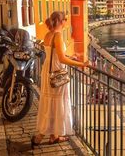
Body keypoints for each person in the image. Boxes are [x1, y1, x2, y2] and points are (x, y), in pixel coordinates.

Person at [32, 11, 90, 146]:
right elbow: (62, 58)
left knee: (50, 103)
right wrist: (81, 64)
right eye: (65, 20)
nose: (66, 22)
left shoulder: (48, 34)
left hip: (48, 70)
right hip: (57, 72)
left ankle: (54, 136)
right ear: (60, 21)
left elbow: (57, 54)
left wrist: (70, 57)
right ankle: (39, 137)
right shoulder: (57, 35)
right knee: (57, 104)